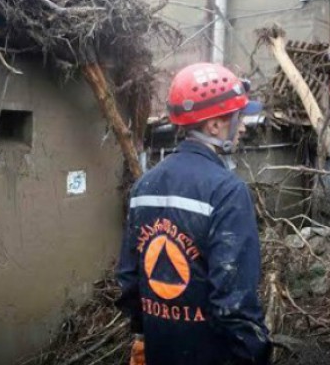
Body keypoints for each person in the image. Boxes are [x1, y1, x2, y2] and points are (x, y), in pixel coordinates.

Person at [116, 63, 271, 365]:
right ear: (214, 125)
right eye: (238, 117)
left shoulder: (143, 185)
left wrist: (144, 334)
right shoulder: (227, 192)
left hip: (160, 350)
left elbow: (128, 279)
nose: (243, 127)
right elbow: (234, 304)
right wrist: (255, 355)